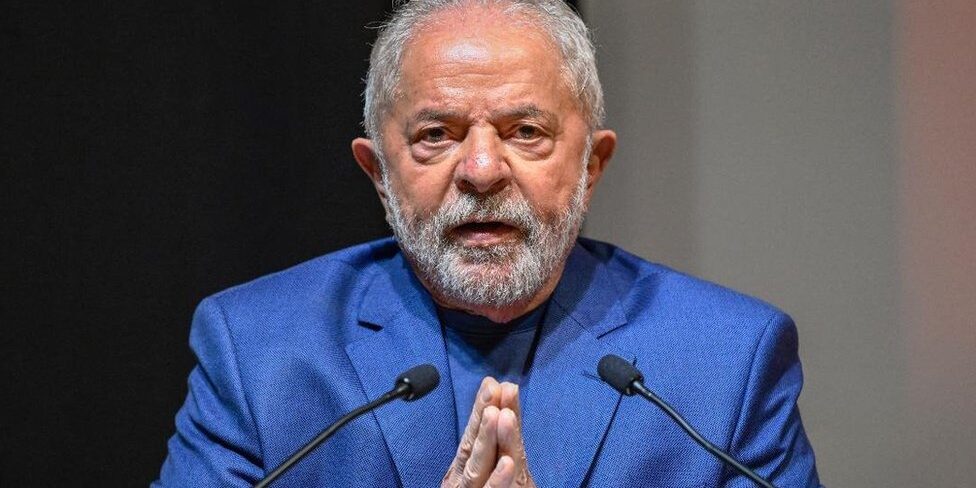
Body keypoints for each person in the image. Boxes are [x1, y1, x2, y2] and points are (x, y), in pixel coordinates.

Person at [155, 1, 821, 486]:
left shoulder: (726, 361)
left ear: (591, 166)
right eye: (436, 135)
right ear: (378, 174)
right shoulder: (261, 351)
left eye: (526, 131)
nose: (480, 171)